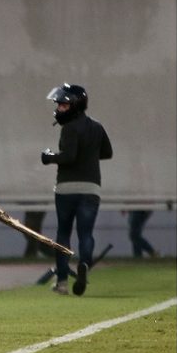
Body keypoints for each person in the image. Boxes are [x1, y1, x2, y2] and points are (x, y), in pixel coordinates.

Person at [41, 83, 112, 296]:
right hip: (91, 188)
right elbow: (107, 153)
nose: (59, 108)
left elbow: (69, 157)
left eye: (63, 105)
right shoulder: (97, 127)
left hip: (66, 188)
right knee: (86, 234)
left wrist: (49, 157)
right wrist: (89, 157)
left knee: (63, 233)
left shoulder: (69, 128)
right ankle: (84, 265)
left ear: (75, 106)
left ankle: (61, 281)